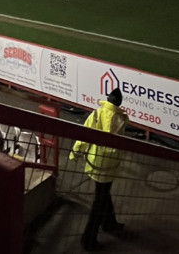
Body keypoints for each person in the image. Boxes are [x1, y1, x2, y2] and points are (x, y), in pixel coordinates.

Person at [71, 87, 128, 251]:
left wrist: (75, 153)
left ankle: (91, 236)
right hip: (111, 164)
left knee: (101, 197)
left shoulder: (97, 114)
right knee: (102, 195)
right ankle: (105, 227)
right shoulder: (122, 119)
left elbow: (85, 135)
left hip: (95, 162)